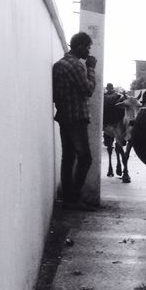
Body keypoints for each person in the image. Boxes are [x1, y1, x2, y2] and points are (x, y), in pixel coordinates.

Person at [52, 32, 97, 208]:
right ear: (79, 46)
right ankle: (74, 198)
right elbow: (88, 89)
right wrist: (91, 68)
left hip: (64, 116)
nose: (88, 51)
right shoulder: (76, 66)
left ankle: (68, 198)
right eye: (87, 47)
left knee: (68, 157)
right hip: (77, 117)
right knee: (85, 158)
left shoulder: (59, 65)